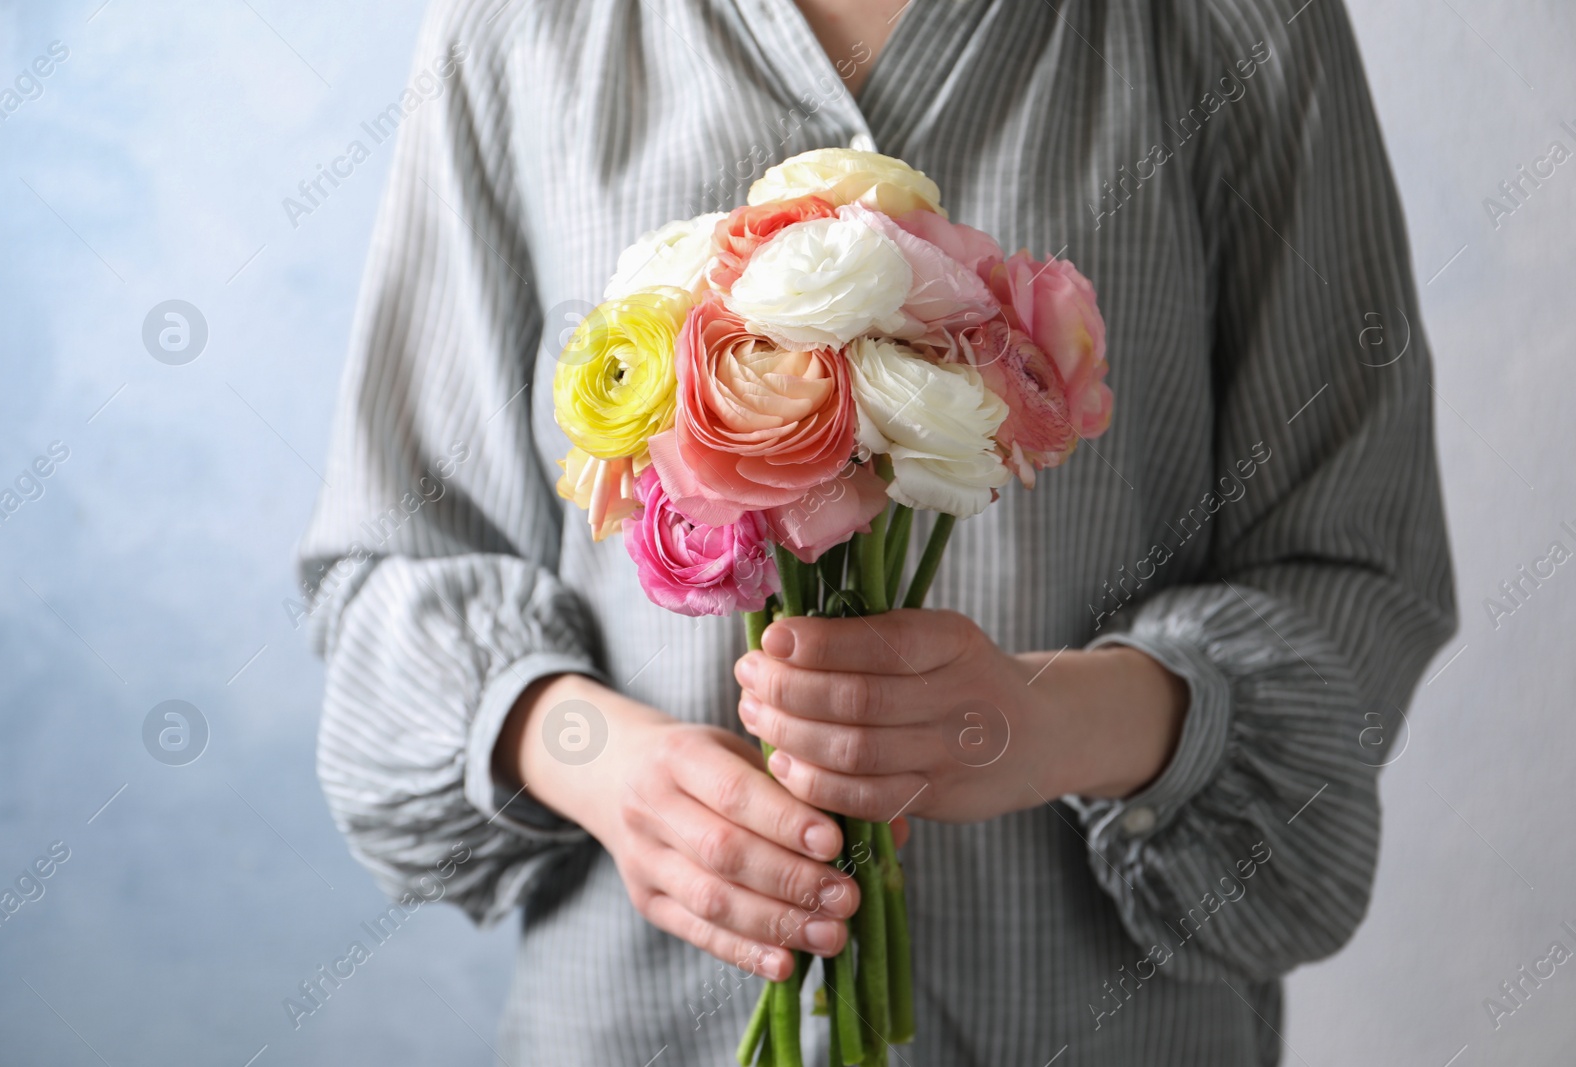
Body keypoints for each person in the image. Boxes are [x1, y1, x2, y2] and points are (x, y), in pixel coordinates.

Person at [296, 0, 1457, 1062]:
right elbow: (395, 566)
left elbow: (1352, 555)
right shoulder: (515, 28)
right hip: (635, 1023)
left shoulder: (1238, 22)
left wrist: (1050, 721)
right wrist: (606, 765)